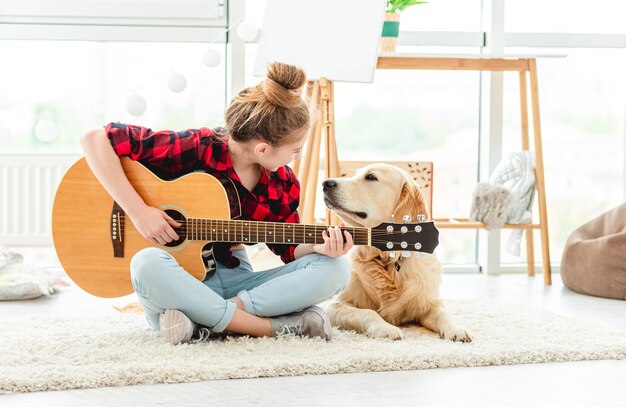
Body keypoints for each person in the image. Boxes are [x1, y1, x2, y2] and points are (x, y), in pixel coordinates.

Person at [80, 62, 352, 345]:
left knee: (336, 269)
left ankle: (201, 321)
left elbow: (288, 247)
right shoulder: (197, 147)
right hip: (179, 281)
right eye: (295, 150)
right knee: (146, 263)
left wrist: (319, 246)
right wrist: (139, 212)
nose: (297, 157)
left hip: (239, 284)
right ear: (262, 149)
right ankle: (267, 327)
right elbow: (95, 139)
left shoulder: (282, 182)